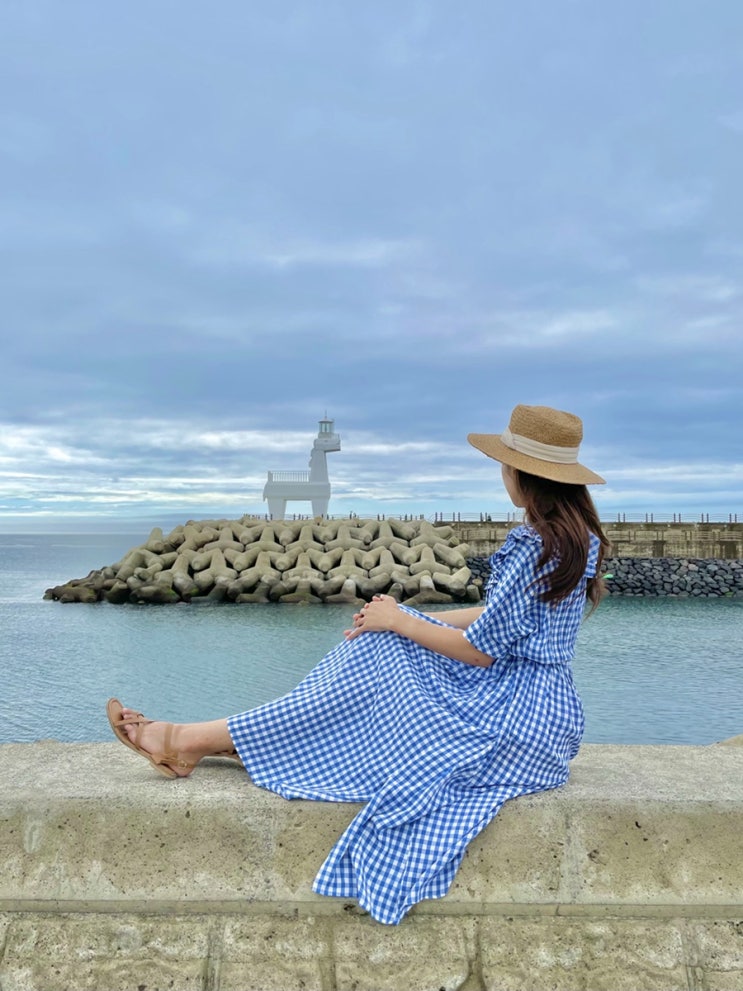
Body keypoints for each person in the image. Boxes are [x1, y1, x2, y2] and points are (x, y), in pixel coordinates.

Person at [107, 403, 610, 926]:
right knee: (385, 639)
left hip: (511, 718)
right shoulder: (575, 541)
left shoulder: (536, 546)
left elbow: (483, 650)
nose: (502, 473)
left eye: (505, 465)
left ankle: (189, 741)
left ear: (523, 474)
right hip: (543, 712)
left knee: (379, 647)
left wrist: (401, 623)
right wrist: (411, 616)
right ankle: (225, 740)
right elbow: (498, 617)